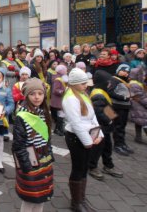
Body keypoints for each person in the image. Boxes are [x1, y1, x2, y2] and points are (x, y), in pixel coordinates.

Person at [63, 68, 103, 212]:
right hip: (76, 137)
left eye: (85, 83)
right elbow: (76, 123)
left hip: (87, 136)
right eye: (82, 83)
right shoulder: (70, 98)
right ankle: (76, 203)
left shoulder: (82, 94)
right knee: (78, 168)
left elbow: (92, 116)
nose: (86, 85)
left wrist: (99, 134)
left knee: (84, 167)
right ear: (74, 84)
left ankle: (82, 198)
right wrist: (88, 142)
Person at [12, 78, 54, 212]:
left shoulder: (44, 113)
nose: (37, 97)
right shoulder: (22, 116)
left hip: (44, 160)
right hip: (30, 162)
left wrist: (50, 154)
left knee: (42, 198)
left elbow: (47, 138)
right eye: (32, 94)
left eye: (40, 94)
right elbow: (18, 145)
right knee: (30, 199)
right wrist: (26, 167)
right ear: (26, 95)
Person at [88, 70, 123, 181]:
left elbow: (106, 107)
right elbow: (98, 111)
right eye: (108, 83)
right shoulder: (98, 94)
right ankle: (92, 167)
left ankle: (108, 165)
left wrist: (113, 117)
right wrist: (109, 121)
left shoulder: (102, 92)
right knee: (97, 148)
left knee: (107, 147)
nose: (109, 85)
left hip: (105, 127)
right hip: (99, 127)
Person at [108, 64, 132, 156]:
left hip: (125, 106)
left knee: (122, 126)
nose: (125, 73)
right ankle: (117, 145)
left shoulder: (126, 81)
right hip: (118, 106)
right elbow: (110, 92)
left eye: (127, 72)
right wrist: (124, 98)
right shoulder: (114, 79)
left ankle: (122, 143)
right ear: (118, 70)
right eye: (123, 71)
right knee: (118, 126)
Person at [129, 67, 147, 143]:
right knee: (145, 123)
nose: (144, 77)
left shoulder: (135, 84)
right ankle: (138, 137)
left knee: (139, 122)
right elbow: (141, 97)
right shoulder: (135, 85)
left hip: (137, 106)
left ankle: (138, 137)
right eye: (142, 75)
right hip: (139, 107)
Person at [50, 65, 68, 136]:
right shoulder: (58, 79)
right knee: (60, 116)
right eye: (65, 70)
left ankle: (59, 129)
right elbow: (55, 90)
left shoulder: (60, 78)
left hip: (60, 100)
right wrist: (63, 91)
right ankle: (58, 129)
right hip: (58, 100)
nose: (66, 71)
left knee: (60, 116)